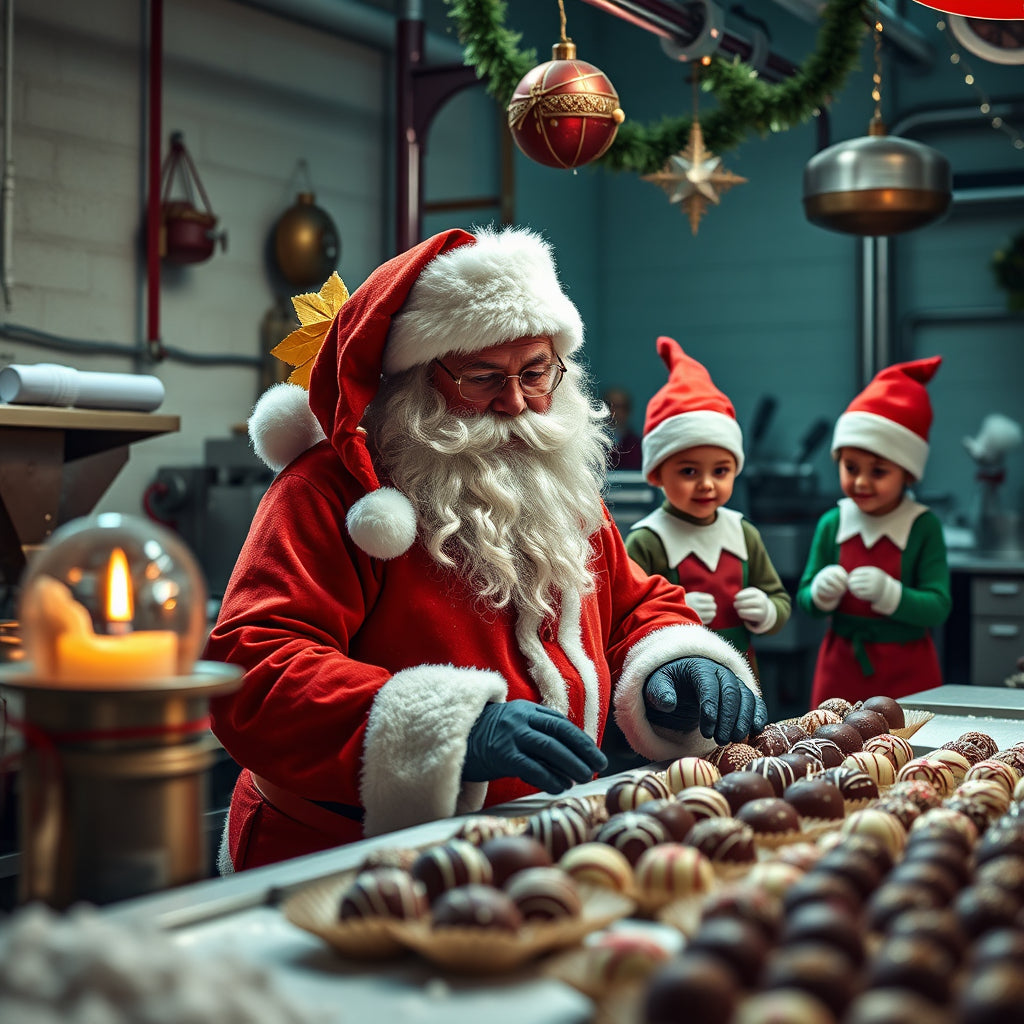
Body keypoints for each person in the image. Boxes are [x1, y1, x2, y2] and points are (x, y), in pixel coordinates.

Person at [204, 226, 767, 871]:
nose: (518, 404)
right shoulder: (328, 494)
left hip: (539, 843)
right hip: (350, 857)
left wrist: (671, 658)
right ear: (414, 379)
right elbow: (256, 670)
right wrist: (450, 729)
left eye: (535, 373)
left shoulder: (557, 485)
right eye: (482, 377)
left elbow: (631, 605)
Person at [625, 337, 791, 678]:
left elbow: (779, 598)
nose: (706, 484)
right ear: (656, 473)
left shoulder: (742, 532)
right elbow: (625, 620)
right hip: (674, 677)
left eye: (720, 471)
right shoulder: (648, 540)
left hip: (745, 673)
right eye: (688, 471)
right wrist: (675, 618)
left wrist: (768, 611)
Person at [796, 356, 952, 706]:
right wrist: (819, 594)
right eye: (851, 467)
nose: (862, 481)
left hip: (909, 671)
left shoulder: (922, 526)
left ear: (907, 473)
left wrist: (892, 595)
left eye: (878, 471)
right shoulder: (832, 523)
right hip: (841, 669)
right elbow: (806, 599)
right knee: (834, 747)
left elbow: (939, 606)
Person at [603, 386, 643, 470]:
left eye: (619, 407)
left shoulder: (638, 446)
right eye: (609, 405)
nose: (613, 411)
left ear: (627, 411)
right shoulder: (593, 443)